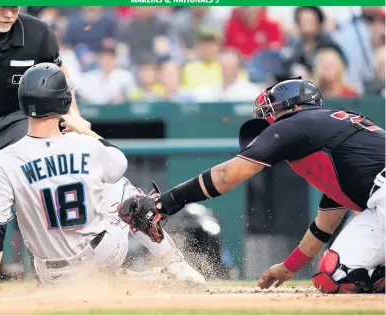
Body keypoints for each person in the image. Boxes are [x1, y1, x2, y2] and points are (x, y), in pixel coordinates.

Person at [119, 78, 385, 294]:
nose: (268, 120)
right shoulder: (329, 135)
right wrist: (288, 266)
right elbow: (325, 223)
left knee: (339, 276)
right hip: (378, 202)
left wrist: (164, 203)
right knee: (332, 274)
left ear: (291, 106)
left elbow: (226, 176)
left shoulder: (297, 124)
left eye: (271, 111)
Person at [0, 63, 205, 298]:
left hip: (50, 275)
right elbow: (119, 163)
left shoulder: (5, 158)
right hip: (100, 256)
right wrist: (84, 130)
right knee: (128, 194)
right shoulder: (85, 145)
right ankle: (174, 264)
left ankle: (111, 281)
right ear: (63, 102)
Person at [0, 6, 90, 193]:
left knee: (43, 182)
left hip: (15, 121)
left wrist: (74, 115)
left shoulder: (37, 33)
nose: (8, 14)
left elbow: (59, 76)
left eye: (13, 7)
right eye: (2, 7)